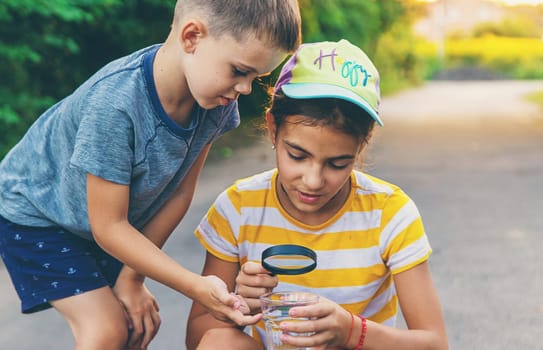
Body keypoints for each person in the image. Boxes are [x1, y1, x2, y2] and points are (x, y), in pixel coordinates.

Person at [0, 1, 301, 349]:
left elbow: (178, 194)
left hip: (98, 219)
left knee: (134, 326)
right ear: (191, 37)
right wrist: (194, 286)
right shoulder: (115, 106)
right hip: (37, 214)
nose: (244, 89)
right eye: (238, 71)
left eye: (255, 78)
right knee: (107, 329)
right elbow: (108, 227)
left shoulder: (216, 104)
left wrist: (132, 278)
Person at [186, 39, 449, 350]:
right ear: (273, 128)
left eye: (338, 164)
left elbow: (434, 343)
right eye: (297, 156)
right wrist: (239, 306)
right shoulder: (239, 207)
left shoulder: (390, 213)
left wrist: (352, 331)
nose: (313, 181)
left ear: (362, 145)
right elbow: (199, 338)